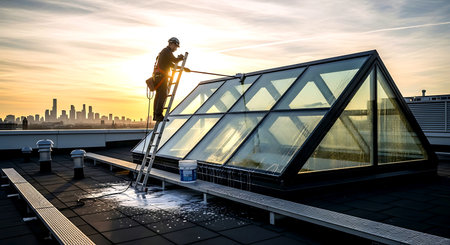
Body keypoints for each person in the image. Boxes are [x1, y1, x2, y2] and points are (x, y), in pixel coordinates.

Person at [152, 37, 184, 121]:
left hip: (158, 77)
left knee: (159, 95)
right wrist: (181, 58)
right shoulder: (166, 51)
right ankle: (158, 115)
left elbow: (171, 65)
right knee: (162, 95)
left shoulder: (164, 52)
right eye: (175, 46)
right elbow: (174, 60)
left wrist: (182, 68)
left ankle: (156, 115)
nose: (176, 48)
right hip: (162, 77)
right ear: (171, 44)